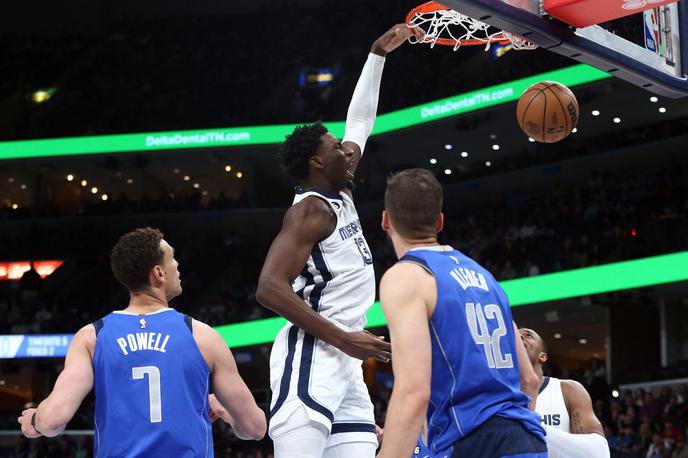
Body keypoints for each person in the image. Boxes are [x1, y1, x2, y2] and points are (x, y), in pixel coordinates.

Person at [255, 24, 411, 458]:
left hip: (347, 362)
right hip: (312, 355)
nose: (346, 150)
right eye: (335, 148)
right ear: (316, 162)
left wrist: (377, 54)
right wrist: (343, 338)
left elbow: (360, 121)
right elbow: (269, 287)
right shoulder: (309, 211)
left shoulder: (339, 186)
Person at [18, 227, 266, 456]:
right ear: (158, 273)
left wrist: (35, 420)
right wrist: (223, 410)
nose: (178, 265)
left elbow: (53, 420)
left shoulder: (92, 337)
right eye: (172, 258)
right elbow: (255, 427)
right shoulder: (202, 336)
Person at [376, 168, 545, 458]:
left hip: (472, 441)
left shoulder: (406, 276)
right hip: (526, 440)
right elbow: (529, 379)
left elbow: (414, 391)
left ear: (385, 220)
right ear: (440, 222)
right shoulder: (485, 277)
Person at [520, 327, 610, 458]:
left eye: (528, 335)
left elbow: (598, 453)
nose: (520, 337)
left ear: (543, 356)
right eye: (515, 336)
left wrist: (535, 427)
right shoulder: (497, 397)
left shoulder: (568, 390)